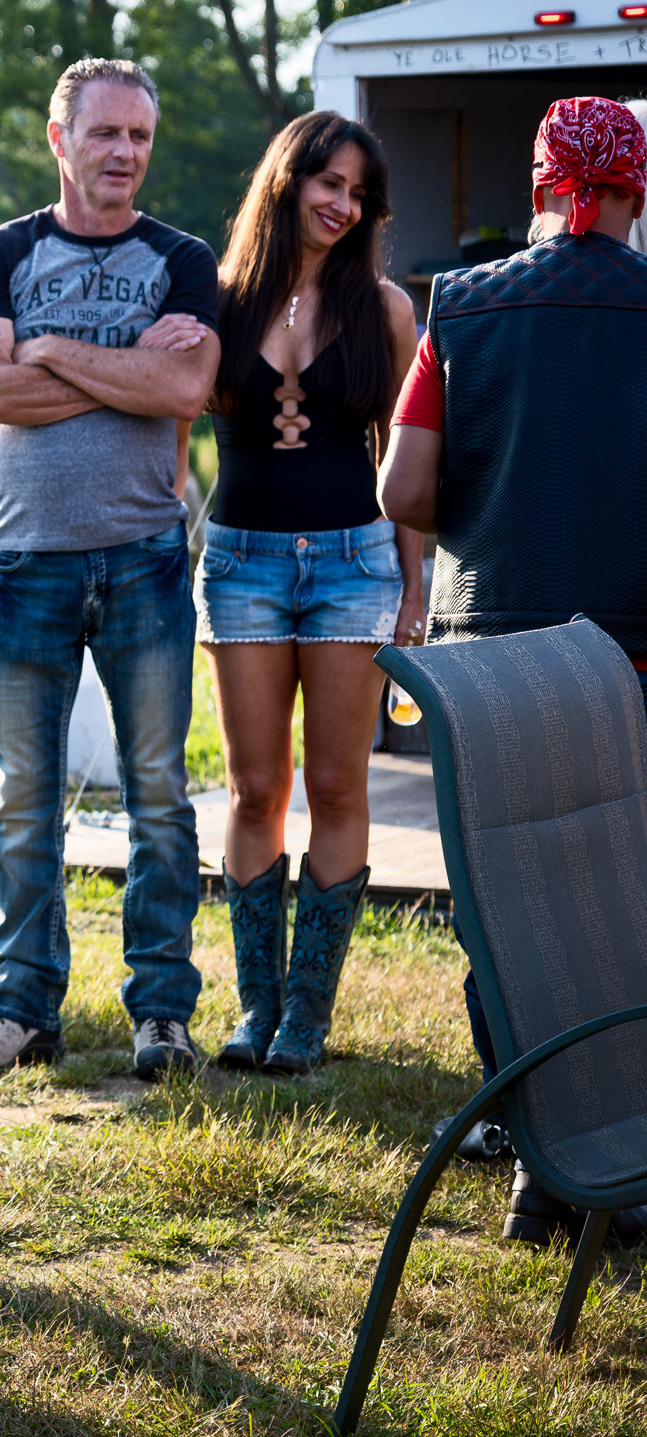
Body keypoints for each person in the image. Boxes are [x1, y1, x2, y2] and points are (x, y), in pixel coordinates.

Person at [378, 94, 647, 1250]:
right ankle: (623, 1161)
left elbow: (402, 493)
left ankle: (543, 1169)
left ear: (538, 189)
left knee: (514, 907)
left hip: (495, 656)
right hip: (634, 649)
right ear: (631, 193)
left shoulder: (462, 308)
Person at [0, 57, 221, 1082]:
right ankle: (19, 1009)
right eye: (104, 134)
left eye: (139, 137)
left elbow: (188, 382)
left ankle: (162, 1014)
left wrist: (47, 355)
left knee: (158, 792)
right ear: (58, 138)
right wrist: (111, 361)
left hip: (145, 556)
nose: (123, 154)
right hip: (25, 561)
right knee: (24, 797)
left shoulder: (182, 257)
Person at [199, 112, 422, 1076]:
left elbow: (410, 465)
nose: (340, 203)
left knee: (336, 783)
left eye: (357, 192)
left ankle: (308, 1017)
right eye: (325, 182)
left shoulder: (384, 310)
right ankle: (256, 1007)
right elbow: (172, 436)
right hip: (240, 560)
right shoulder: (215, 299)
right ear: (286, 181)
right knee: (257, 786)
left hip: (352, 563)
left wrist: (415, 586)